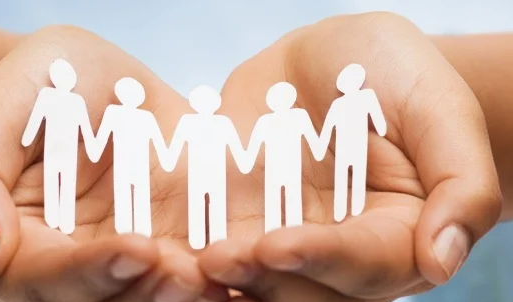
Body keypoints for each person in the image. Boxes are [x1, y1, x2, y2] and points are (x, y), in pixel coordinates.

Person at [0, 10, 512, 302]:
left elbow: (262, 142)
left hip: (288, 171)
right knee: (178, 214)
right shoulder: (119, 120)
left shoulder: (280, 122)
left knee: (302, 208)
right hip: (120, 173)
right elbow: (156, 142)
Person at [162, 85, 248, 250]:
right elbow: (176, 146)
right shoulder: (192, 122)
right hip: (200, 172)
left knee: (209, 203)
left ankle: (209, 240)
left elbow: (236, 147)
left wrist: (245, 163)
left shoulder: (220, 122)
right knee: (201, 203)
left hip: (213, 173)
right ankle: (199, 240)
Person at [21, 59, 99, 235]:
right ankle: (52, 218)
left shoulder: (77, 101)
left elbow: (85, 126)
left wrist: (93, 147)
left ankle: (65, 220)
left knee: (67, 182)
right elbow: (36, 118)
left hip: (69, 149)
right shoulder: (47, 95)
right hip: (53, 147)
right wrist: (27, 138)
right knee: (52, 179)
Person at [93, 77, 170, 238]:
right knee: (124, 194)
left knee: (138, 194)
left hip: (140, 164)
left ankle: (140, 231)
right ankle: (125, 231)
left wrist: (167, 159)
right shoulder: (114, 112)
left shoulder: (146, 117)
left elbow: (157, 139)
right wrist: (94, 152)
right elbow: (103, 135)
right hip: (122, 162)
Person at [242, 81, 319, 233]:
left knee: (290, 200)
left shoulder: (299, 116)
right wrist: (244, 163)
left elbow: (313, 141)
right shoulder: (265, 121)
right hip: (275, 170)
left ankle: (289, 233)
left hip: (289, 169)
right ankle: (276, 234)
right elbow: (253, 147)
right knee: (276, 203)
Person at [315, 63, 387, 222]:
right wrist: (319, 148)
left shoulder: (365, 96)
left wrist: (381, 128)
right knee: (345, 176)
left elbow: (376, 116)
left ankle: (354, 210)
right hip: (344, 146)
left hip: (356, 144)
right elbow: (328, 127)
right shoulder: (339, 103)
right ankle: (342, 211)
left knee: (354, 176)